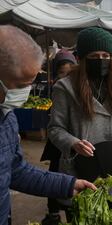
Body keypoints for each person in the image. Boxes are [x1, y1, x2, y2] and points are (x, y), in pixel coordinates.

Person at [0, 25, 95, 225]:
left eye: (30, 85)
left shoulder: (7, 118)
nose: (24, 94)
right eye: (19, 86)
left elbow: (16, 170)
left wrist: (68, 184)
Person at [47, 27, 112, 213]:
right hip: (80, 167)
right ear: (81, 58)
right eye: (94, 56)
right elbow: (55, 129)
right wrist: (74, 143)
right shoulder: (65, 87)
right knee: (82, 213)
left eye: (106, 55)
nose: (101, 60)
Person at [40, 49, 77, 225]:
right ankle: (53, 211)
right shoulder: (56, 89)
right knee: (55, 175)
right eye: (61, 73)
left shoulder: (78, 89)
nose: (65, 76)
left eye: (69, 73)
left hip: (75, 143)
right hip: (57, 145)